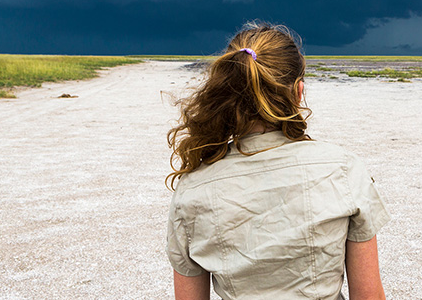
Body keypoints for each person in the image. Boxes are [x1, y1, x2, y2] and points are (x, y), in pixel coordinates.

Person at [166, 23, 390, 300]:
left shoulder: (191, 190)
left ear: (229, 93)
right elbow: (368, 296)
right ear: (298, 92)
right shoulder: (343, 170)